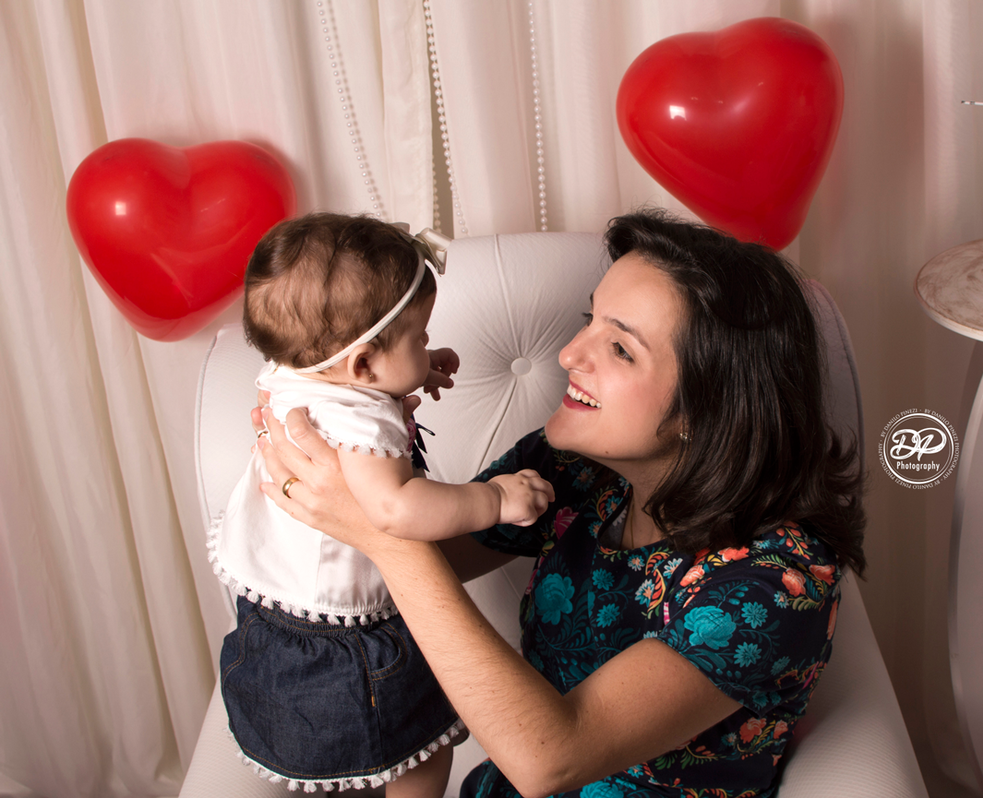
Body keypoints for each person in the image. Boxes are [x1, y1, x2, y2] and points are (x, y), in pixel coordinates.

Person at [257, 209, 866, 798]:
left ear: (711, 408)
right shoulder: (574, 473)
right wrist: (371, 442)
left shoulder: (775, 583)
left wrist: (381, 529)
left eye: (621, 349)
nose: (570, 354)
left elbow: (549, 759)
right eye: (589, 320)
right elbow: (411, 572)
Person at [212, 213, 554, 795]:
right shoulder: (362, 415)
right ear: (364, 365)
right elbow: (397, 509)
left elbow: (348, 393)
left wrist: (410, 371)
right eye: (420, 336)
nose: (426, 344)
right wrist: (494, 498)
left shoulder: (294, 372)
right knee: (423, 757)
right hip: (353, 644)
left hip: (273, 624)